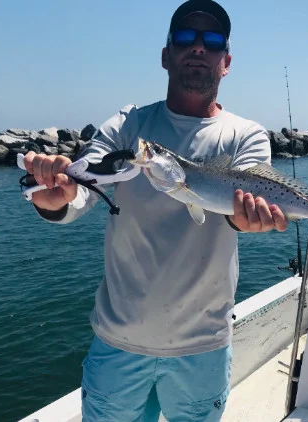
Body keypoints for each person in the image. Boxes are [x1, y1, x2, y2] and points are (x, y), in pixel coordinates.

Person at [21, 0, 284, 420]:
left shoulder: (245, 136)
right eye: (185, 37)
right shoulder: (127, 127)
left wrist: (249, 218)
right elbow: (83, 190)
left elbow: (241, 210)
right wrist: (56, 198)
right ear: (166, 55)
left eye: (212, 40)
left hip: (204, 346)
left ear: (226, 61)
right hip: (118, 342)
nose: (198, 47)